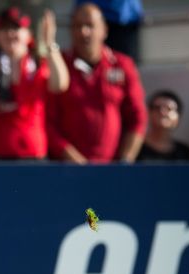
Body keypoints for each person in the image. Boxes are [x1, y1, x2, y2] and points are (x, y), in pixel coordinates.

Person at [46, 2, 147, 164]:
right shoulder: (59, 65)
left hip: (113, 170)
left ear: (104, 30)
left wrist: (125, 162)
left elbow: (138, 118)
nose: (83, 32)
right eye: (78, 26)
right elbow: (48, 121)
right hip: (66, 170)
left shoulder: (122, 65)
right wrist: (76, 162)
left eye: (90, 25)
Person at [0, 7, 68, 160]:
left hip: (31, 154)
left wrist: (50, 43)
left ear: (28, 34)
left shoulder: (38, 63)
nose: (10, 34)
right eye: (5, 29)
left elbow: (60, 84)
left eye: (16, 28)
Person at [138, 89, 189, 162]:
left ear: (178, 117)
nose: (163, 112)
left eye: (169, 109)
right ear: (148, 113)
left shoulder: (185, 152)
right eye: (157, 108)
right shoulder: (135, 147)